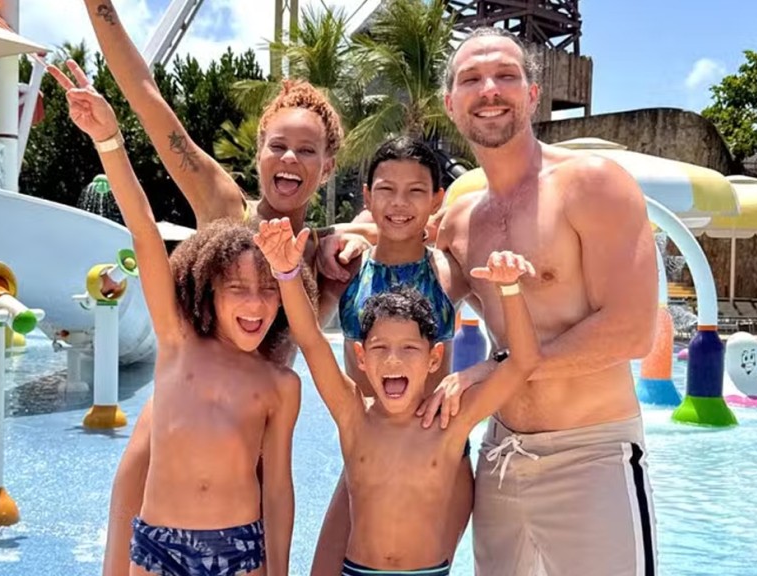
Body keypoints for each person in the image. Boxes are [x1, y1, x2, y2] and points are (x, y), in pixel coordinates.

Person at [76, 4, 367, 572]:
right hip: (171, 437)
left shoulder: (324, 256)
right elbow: (145, 97)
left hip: (253, 447)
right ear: (258, 153)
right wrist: (97, 7)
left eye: (307, 150)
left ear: (328, 167)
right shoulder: (222, 206)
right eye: (277, 146)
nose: (289, 159)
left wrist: (352, 247)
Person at [47, 61, 314, 576]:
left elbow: (279, 489)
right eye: (237, 289)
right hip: (159, 545)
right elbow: (144, 231)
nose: (255, 304)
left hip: (240, 549)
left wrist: (278, 570)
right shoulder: (177, 340)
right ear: (208, 290)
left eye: (269, 291)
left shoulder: (280, 385)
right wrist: (108, 140)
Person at [427, 27, 660, 576]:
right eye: (472, 78)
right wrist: (351, 240)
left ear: (533, 95)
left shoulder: (591, 184)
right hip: (500, 460)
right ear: (451, 104)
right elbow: (411, 293)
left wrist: (497, 369)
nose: (489, 89)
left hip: (592, 456)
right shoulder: (461, 222)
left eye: (506, 75)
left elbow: (632, 330)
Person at [254, 216, 540, 576]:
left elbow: (523, 362)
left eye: (409, 348)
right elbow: (311, 340)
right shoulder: (353, 415)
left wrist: (510, 289)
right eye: (380, 347)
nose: (393, 359)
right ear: (361, 357)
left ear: (433, 358)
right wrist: (286, 273)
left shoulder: (449, 422)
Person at [309, 136, 474, 575]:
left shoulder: (449, 272)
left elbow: (512, 336)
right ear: (367, 196)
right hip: (370, 453)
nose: (399, 203)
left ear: (437, 200)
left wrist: (478, 372)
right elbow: (300, 329)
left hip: (439, 463)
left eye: (416, 191)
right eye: (386, 189)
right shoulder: (347, 270)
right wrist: (330, 239)